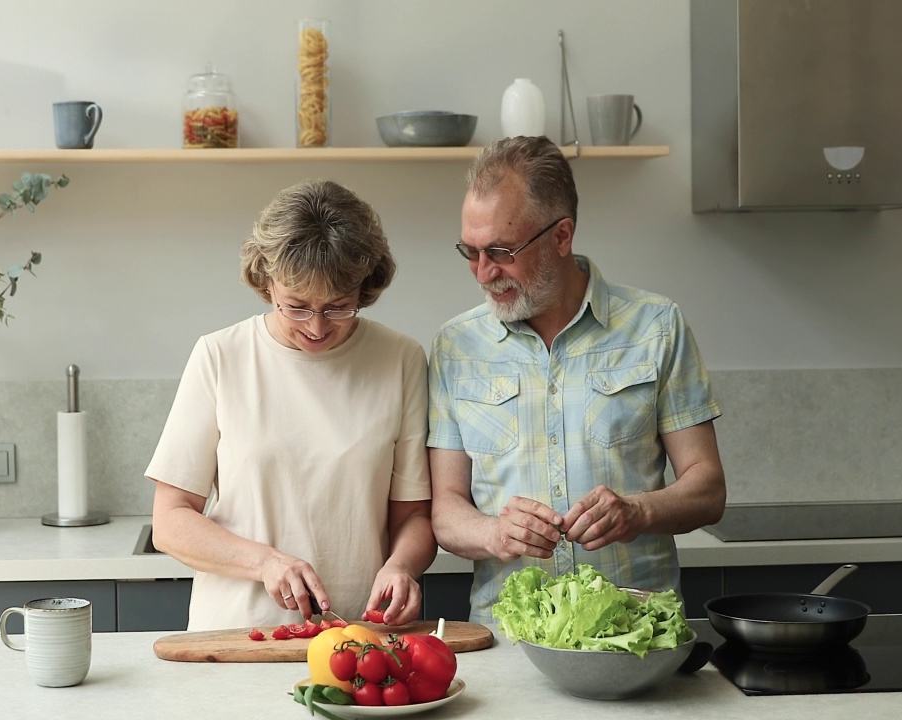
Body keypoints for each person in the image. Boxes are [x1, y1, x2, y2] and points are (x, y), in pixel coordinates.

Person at [427, 136, 727, 623]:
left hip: (634, 633)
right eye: (471, 251)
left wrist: (638, 512)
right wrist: (493, 534)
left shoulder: (656, 327)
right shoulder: (455, 347)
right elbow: (445, 510)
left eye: (501, 251)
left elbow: (708, 488)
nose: (483, 274)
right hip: (509, 640)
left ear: (561, 236)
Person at [146, 179, 435, 632]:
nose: (318, 327)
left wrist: (402, 566)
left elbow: (414, 516)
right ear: (266, 282)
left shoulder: (400, 360)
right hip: (236, 635)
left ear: (365, 288)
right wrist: (264, 562)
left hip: (357, 636)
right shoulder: (220, 356)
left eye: (338, 307)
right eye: (297, 307)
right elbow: (169, 521)